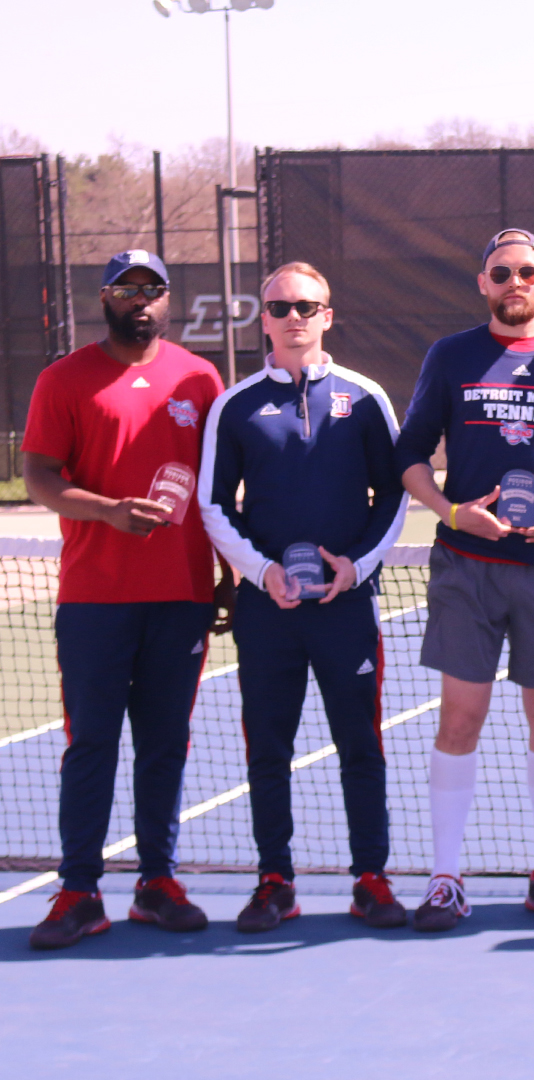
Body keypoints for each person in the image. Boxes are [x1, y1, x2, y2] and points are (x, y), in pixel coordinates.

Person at [395, 228, 534, 930]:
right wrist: (453, 511)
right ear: (483, 284)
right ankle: (445, 878)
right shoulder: (451, 356)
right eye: (500, 272)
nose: (514, 282)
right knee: (461, 718)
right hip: (469, 568)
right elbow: (409, 455)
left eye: (527, 271)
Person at [24, 249, 227, 950]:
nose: (139, 299)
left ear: (168, 299)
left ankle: (157, 883)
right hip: (95, 601)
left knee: (165, 745)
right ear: (104, 297)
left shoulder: (200, 378)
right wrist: (108, 511)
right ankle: (79, 890)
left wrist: (227, 573)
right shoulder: (63, 380)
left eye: (152, 289)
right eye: (126, 288)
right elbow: (40, 477)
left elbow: (217, 488)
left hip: (182, 598)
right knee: (92, 747)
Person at [198, 261, 410, 932]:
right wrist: (260, 574)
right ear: (263, 318)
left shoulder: (366, 397)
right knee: (268, 749)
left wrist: (358, 566)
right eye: (282, 307)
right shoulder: (234, 406)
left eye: (307, 306)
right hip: (270, 614)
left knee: (359, 746)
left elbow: (397, 493)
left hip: (346, 609)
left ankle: (371, 878)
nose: (295, 317)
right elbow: (211, 503)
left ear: (328, 315)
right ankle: (274, 879)